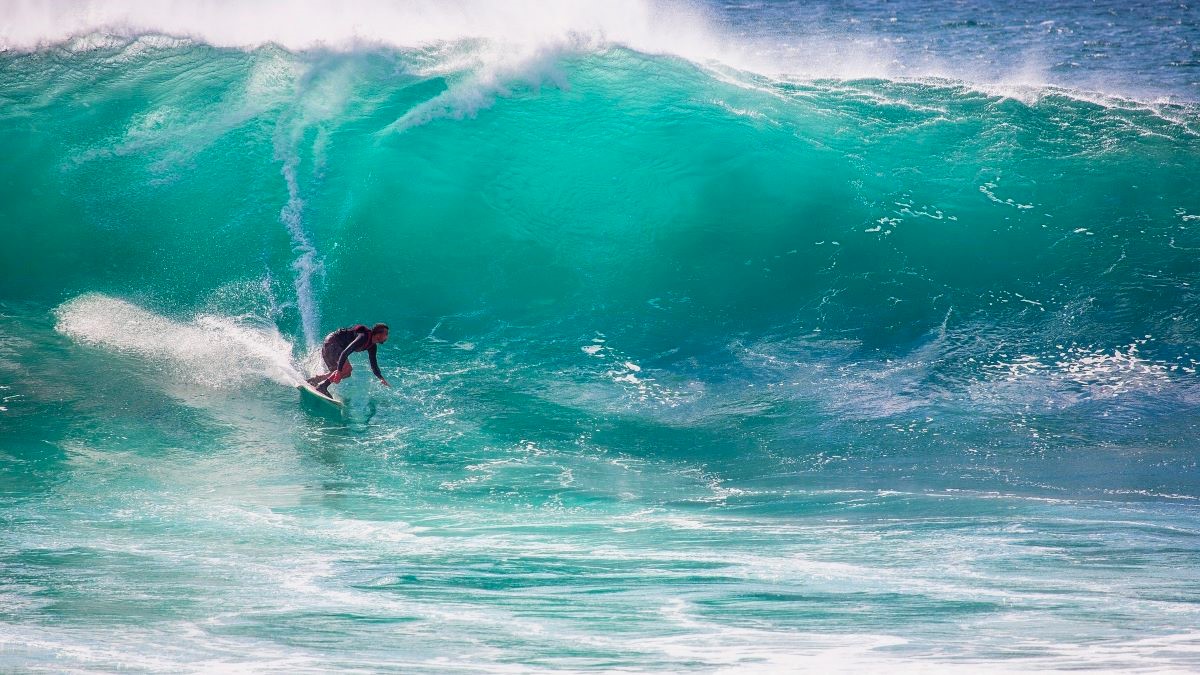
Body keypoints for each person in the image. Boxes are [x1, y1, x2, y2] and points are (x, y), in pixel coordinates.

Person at [308, 323, 391, 396]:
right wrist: (339, 371)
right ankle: (323, 387)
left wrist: (381, 378)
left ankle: (315, 380)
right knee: (346, 369)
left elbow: (374, 364)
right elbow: (345, 353)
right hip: (332, 343)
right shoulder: (363, 337)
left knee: (347, 374)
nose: (387, 337)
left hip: (335, 347)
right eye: (386, 334)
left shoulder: (372, 346)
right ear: (378, 334)